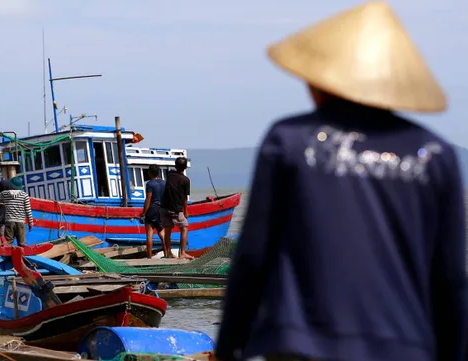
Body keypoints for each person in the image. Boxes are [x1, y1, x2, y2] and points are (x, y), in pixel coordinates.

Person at [213, 2, 468, 361]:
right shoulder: (435, 154)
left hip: (301, 345)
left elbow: (254, 255)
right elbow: (450, 278)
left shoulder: (290, 140)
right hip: (405, 346)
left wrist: (228, 346)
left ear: (322, 80)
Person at [160, 157, 192, 259]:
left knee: (168, 230)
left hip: (164, 207)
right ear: (186, 167)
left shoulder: (170, 175)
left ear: (175, 166)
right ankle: (182, 252)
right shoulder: (186, 180)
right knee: (184, 227)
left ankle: (168, 253)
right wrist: (186, 211)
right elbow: (184, 199)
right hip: (175, 209)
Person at [0, 177, 33, 246]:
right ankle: (22, 254)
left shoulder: (5, 193)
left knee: (8, 242)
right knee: (22, 243)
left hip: (9, 221)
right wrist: (30, 222)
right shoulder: (25, 195)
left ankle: (7, 255)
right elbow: (28, 210)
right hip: (20, 222)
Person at [139, 165, 168, 259]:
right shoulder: (164, 183)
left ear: (149, 173)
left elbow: (148, 199)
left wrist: (143, 213)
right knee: (162, 232)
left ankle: (149, 257)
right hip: (162, 209)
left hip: (152, 209)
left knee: (149, 234)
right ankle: (166, 253)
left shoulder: (150, 184)